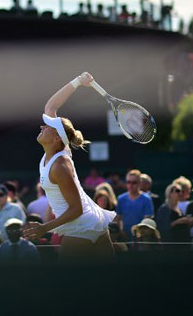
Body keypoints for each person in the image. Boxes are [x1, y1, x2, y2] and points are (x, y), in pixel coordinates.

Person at [23, 72, 116, 258]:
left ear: (57, 137)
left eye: (47, 126)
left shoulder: (60, 166)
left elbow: (76, 209)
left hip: (81, 226)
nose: (42, 126)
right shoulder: (59, 150)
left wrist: (44, 228)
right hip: (93, 222)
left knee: (66, 282)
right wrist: (78, 82)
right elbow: (51, 106)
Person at [115, 169, 154, 240]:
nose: (131, 185)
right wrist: (121, 233)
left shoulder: (146, 199)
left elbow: (147, 219)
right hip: (125, 237)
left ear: (139, 183)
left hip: (142, 239)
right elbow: (118, 218)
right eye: (128, 182)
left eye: (134, 182)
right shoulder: (121, 199)